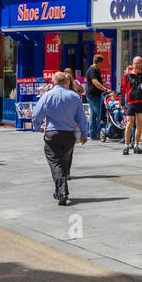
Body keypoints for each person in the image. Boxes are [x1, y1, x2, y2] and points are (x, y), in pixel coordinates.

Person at [32, 70, 88, 205]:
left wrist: (36, 126)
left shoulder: (47, 96)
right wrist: (84, 134)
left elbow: (37, 114)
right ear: (66, 81)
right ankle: (59, 192)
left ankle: (62, 192)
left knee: (55, 163)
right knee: (62, 163)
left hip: (53, 134)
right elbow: (81, 117)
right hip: (69, 135)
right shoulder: (74, 96)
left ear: (53, 82)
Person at [121, 55, 142, 155]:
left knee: (139, 123)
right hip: (131, 102)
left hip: (141, 102)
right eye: (136, 63)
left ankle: (136, 145)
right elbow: (123, 89)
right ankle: (126, 145)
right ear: (133, 64)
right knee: (129, 123)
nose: (138, 65)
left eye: (140, 63)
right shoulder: (127, 75)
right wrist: (122, 102)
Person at [85, 54, 107, 140]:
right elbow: (95, 82)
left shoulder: (92, 69)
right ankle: (95, 133)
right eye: (102, 63)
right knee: (99, 114)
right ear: (99, 62)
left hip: (92, 95)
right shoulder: (93, 70)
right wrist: (104, 89)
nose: (102, 65)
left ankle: (93, 134)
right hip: (94, 95)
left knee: (93, 115)